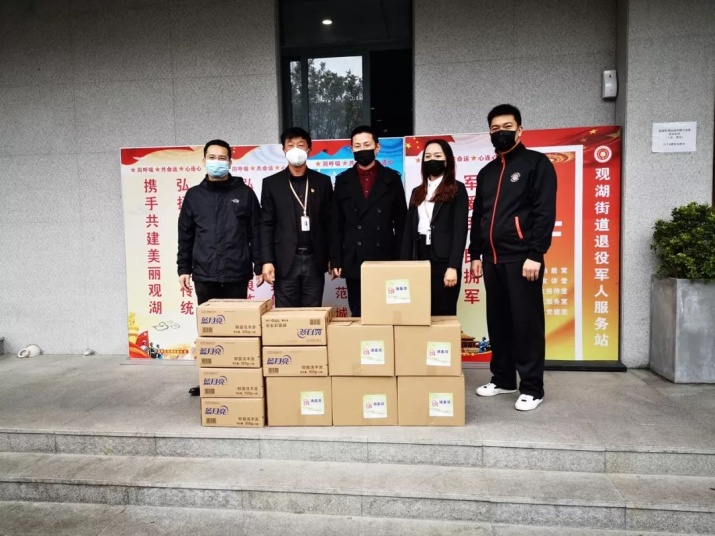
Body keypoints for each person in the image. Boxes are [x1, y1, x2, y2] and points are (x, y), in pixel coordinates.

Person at [470, 104, 557, 411]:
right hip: (492, 260)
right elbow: (479, 216)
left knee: (526, 324)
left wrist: (536, 254)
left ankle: (532, 387)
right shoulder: (487, 173)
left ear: (520, 130)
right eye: (495, 129)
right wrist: (476, 253)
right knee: (499, 322)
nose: (501, 133)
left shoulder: (536, 164)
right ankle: (503, 379)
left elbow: (544, 212)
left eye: (507, 127)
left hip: (523, 260)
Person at [178, 139, 263, 396]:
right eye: (212, 157)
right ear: (204, 161)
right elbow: (186, 235)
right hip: (205, 273)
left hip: (236, 272)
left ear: (230, 162)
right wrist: (183, 269)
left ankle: (235, 379)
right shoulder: (194, 196)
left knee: (235, 331)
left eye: (222, 158)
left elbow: (256, 233)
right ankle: (210, 380)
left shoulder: (244, 193)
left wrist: (259, 265)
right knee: (209, 332)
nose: (217, 162)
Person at [330, 125, 407, 316]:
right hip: (354, 257)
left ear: (377, 147)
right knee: (358, 312)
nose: (362, 149)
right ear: (351, 149)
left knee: (387, 312)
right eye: (357, 146)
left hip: (386, 257)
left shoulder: (392, 179)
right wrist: (336, 258)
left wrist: (402, 259)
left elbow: (402, 223)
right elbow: (336, 224)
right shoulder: (343, 180)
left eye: (366, 144)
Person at [261, 127, 333, 307]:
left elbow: (330, 222)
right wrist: (267, 260)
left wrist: (334, 256)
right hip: (285, 260)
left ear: (309, 149)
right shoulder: (271, 183)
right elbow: (266, 225)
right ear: (283, 150)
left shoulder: (322, 182)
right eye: (290, 145)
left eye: (300, 145)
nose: (295, 149)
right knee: (286, 315)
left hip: (315, 259)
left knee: (312, 314)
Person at [400, 139, 468, 316]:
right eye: (428, 156)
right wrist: (404, 265)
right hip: (419, 256)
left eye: (438, 156)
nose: (432, 160)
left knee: (443, 312)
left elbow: (460, 230)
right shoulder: (417, 191)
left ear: (447, 160)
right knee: (419, 311)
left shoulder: (457, 189)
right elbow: (408, 232)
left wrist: (453, 267)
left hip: (444, 260)